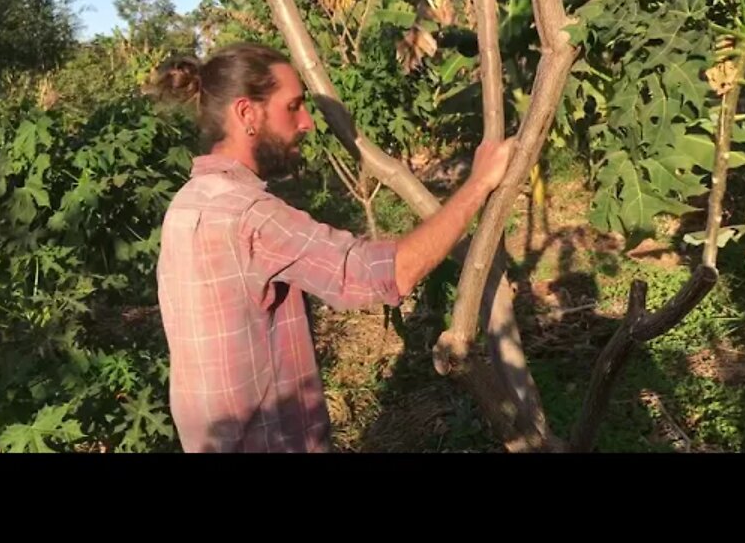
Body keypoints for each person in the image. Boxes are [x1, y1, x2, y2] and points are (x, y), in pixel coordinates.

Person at [153, 43, 514, 452]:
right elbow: (386, 273)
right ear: (246, 114)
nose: (306, 122)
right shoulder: (251, 216)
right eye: (293, 106)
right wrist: (478, 184)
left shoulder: (187, 203)